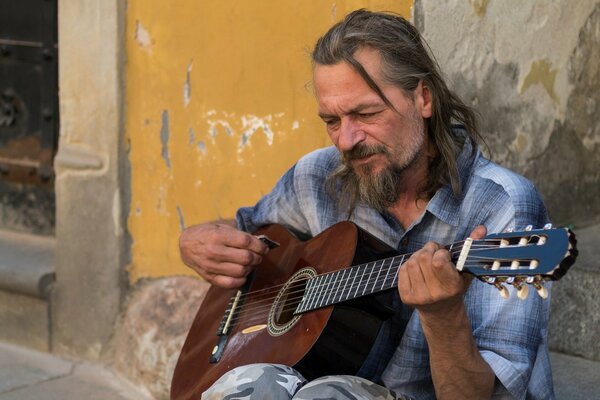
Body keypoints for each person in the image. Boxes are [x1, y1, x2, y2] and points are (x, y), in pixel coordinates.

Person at [179, 9, 553, 400]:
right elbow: (248, 233)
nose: (345, 140)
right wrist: (198, 241)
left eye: (365, 113)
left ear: (423, 98)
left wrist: (443, 317)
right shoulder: (317, 177)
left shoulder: (502, 206)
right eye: (331, 121)